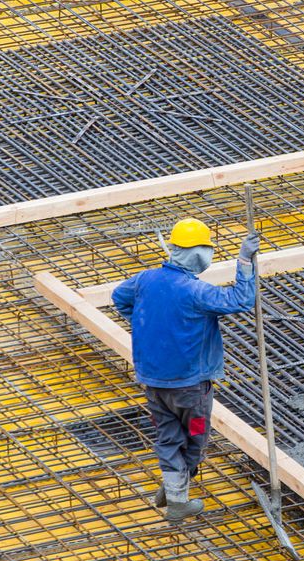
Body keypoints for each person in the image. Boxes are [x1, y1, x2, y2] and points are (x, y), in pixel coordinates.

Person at [111, 217, 259, 522]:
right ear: (195, 253)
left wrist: (146, 325)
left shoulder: (145, 280)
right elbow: (241, 300)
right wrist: (244, 261)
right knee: (195, 440)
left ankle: (174, 488)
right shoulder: (195, 291)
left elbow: (119, 298)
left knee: (167, 438)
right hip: (191, 387)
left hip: (154, 383)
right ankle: (178, 496)